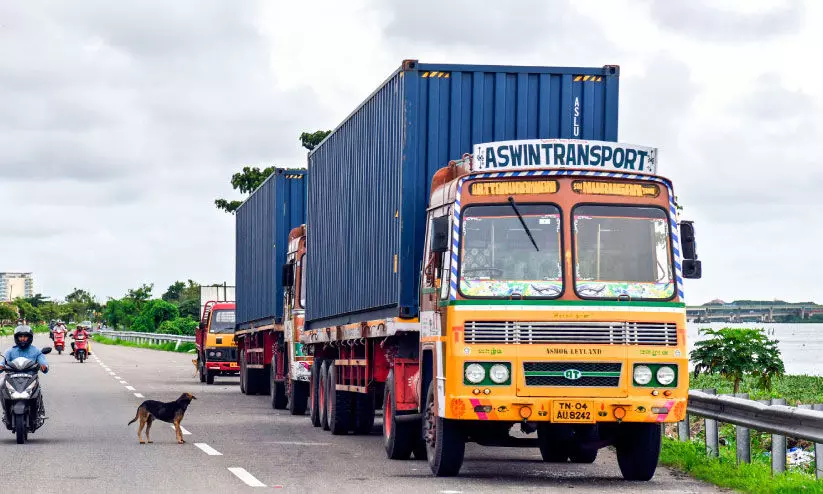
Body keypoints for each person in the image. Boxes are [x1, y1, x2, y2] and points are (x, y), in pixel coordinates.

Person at [2, 325, 48, 419]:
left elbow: (43, 362)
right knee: (1, 384)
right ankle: (6, 412)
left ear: (30, 337)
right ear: (16, 338)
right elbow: (3, 362)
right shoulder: (10, 351)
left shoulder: (36, 351)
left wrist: (44, 366)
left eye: (25, 336)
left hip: (30, 378)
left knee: (37, 389)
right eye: (20, 336)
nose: (23, 339)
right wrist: (1, 366)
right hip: (13, 378)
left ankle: (38, 411)